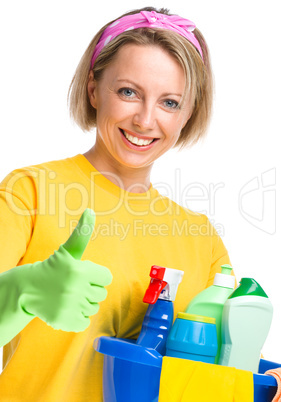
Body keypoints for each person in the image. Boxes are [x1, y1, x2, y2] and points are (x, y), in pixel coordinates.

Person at [0, 6, 232, 401]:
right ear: (94, 89)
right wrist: (19, 294)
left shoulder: (200, 238)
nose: (145, 119)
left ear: (188, 113)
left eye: (170, 102)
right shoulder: (31, 192)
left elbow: (229, 364)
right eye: (128, 92)